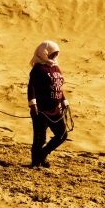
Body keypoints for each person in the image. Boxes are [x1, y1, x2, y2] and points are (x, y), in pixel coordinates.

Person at [27, 40, 69, 168]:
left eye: (56, 53)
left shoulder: (56, 67)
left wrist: (64, 100)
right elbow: (31, 87)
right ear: (45, 53)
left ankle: (43, 154)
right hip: (42, 110)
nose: (54, 56)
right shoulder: (38, 69)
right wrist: (33, 105)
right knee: (40, 139)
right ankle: (35, 162)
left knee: (62, 134)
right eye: (52, 53)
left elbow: (58, 86)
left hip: (55, 110)